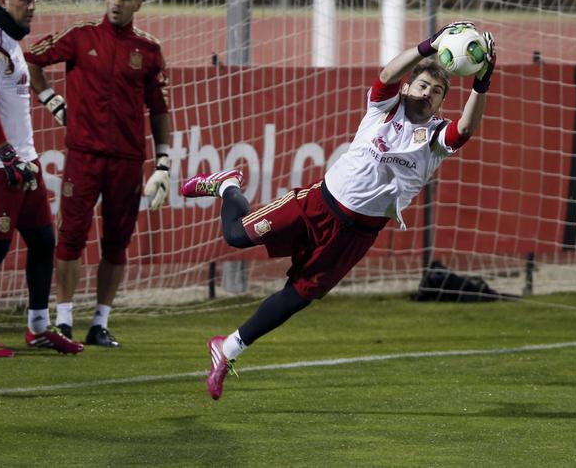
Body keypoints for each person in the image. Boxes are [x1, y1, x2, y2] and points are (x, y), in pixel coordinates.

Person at [182, 22, 496, 399]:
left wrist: (481, 83)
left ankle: (229, 347)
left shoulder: (433, 138)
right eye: (424, 85)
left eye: (438, 91)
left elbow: (465, 129)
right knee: (235, 236)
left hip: (356, 236)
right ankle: (227, 184)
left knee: (299, 294)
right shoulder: (383, 107)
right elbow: (385, 75)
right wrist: (429, 45)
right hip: (316, 205)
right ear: (409, 87)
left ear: (442, 102)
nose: (429, 93)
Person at [25, 0, 171, 348]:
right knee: (71, 237)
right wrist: (54, 102)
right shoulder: (80, 36)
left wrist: (164, 161)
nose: (116, 3)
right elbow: (31, 61)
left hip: (127, 159)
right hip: (83, 155)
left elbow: (158, 110)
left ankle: (100, 323)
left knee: (117, 243)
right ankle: (64, 320)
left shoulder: (149, 50)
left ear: (138, 4)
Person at [0, 0, 84, 357]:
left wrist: (22, 157)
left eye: (34, 0)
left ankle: (38, 327)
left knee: (44, 242)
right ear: (3, 0)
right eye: (24, 0)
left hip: (22, 163)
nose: (31, 8)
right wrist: (6, 154)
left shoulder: (12, 42)